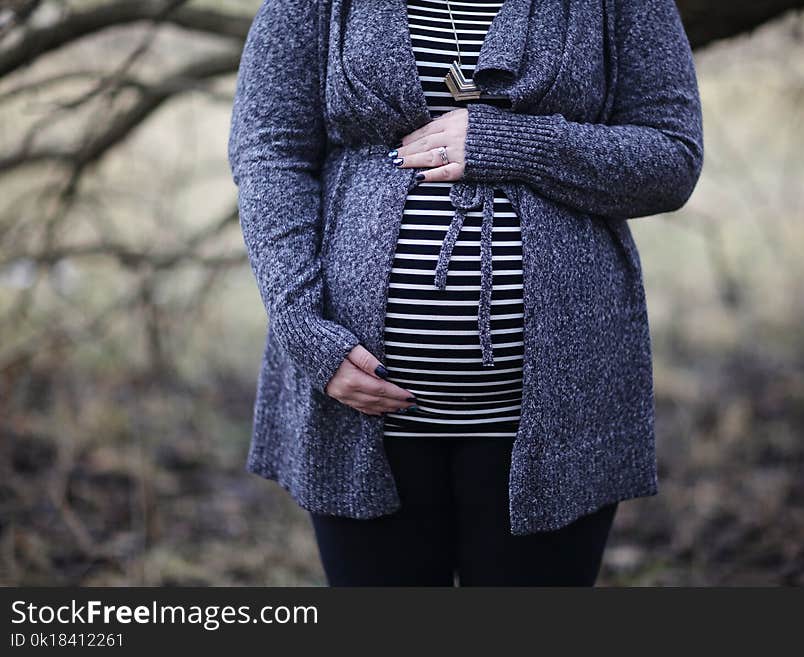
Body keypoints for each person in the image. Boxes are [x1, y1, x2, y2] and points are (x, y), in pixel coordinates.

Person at [227, 0, 704, 586]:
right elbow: (268, 148)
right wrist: (301, 325)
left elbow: (672, 157)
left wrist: (512, 143)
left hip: (559, 413)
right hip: (355, 408)